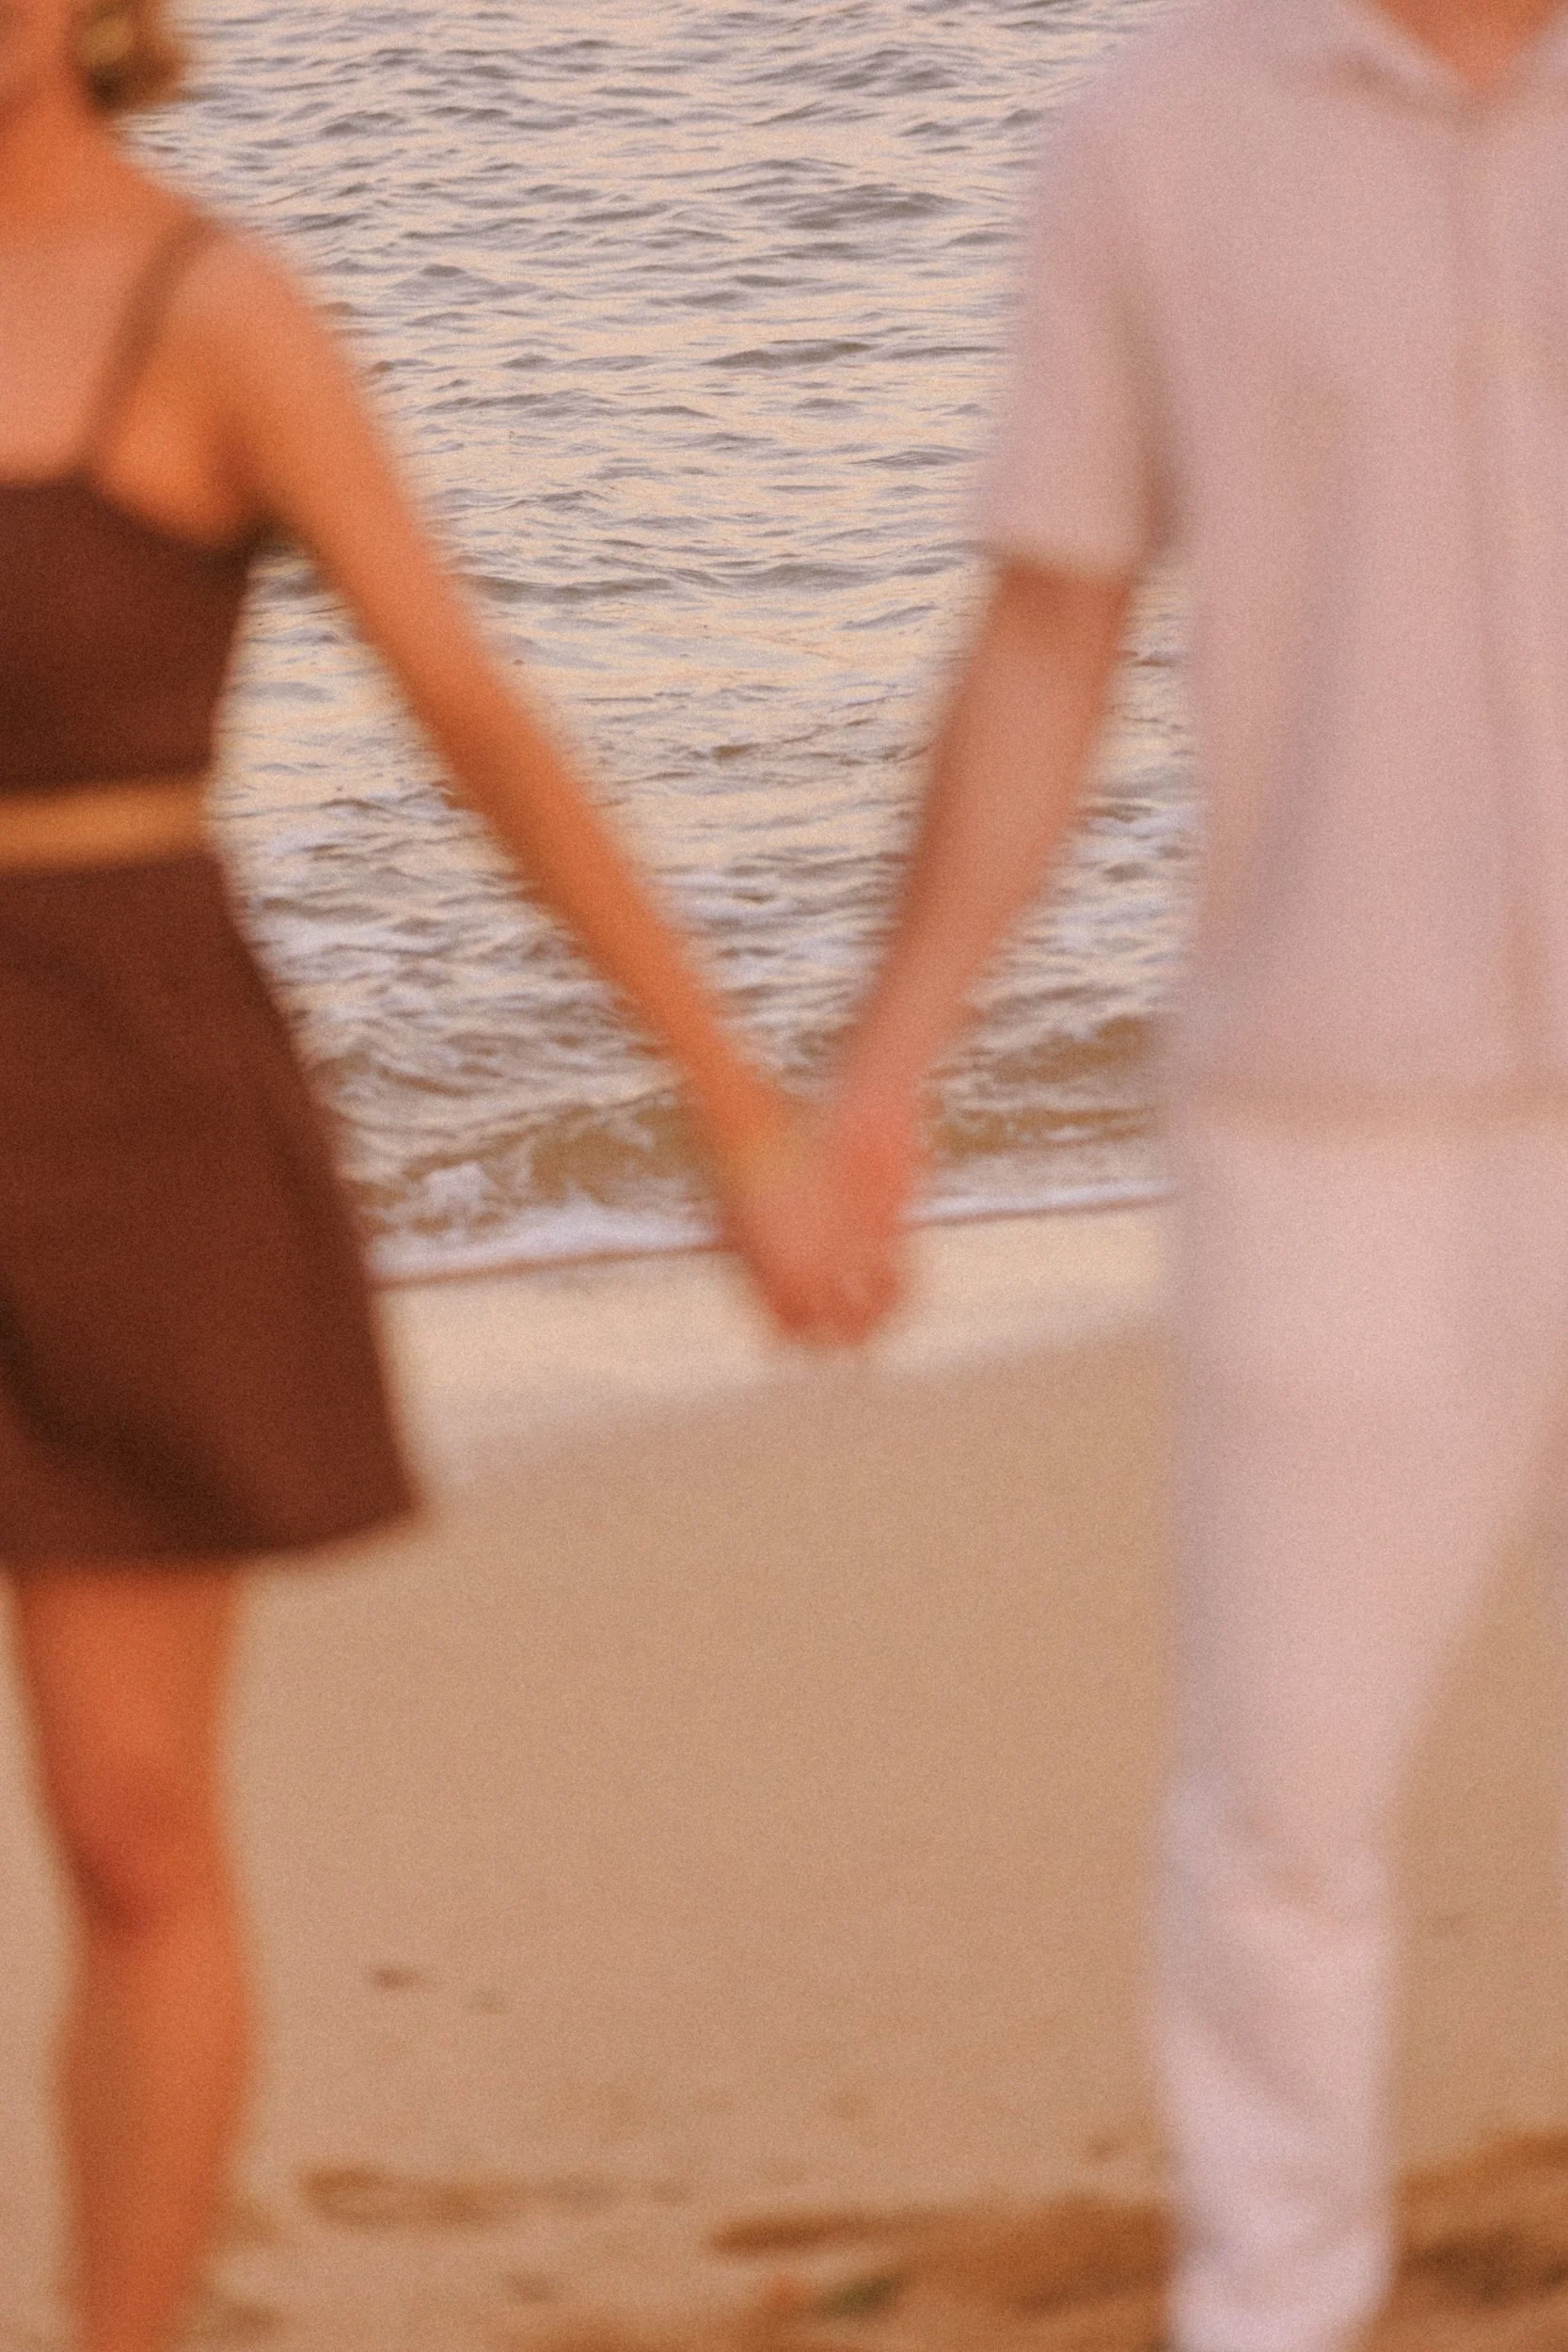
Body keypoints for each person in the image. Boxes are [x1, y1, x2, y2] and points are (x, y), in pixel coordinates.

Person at [0, 6, 859, 2349]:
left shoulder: (213, 309)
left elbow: (464, 708)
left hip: (120, 1117)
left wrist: (730, 1095)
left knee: (124, 1816)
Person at [807, 0, 1568, 2344]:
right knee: (1281, 1805)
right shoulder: (1157, 135)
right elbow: (1053, 619)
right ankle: (1272, 2301)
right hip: (1327, 1099)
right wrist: (886, 1064)